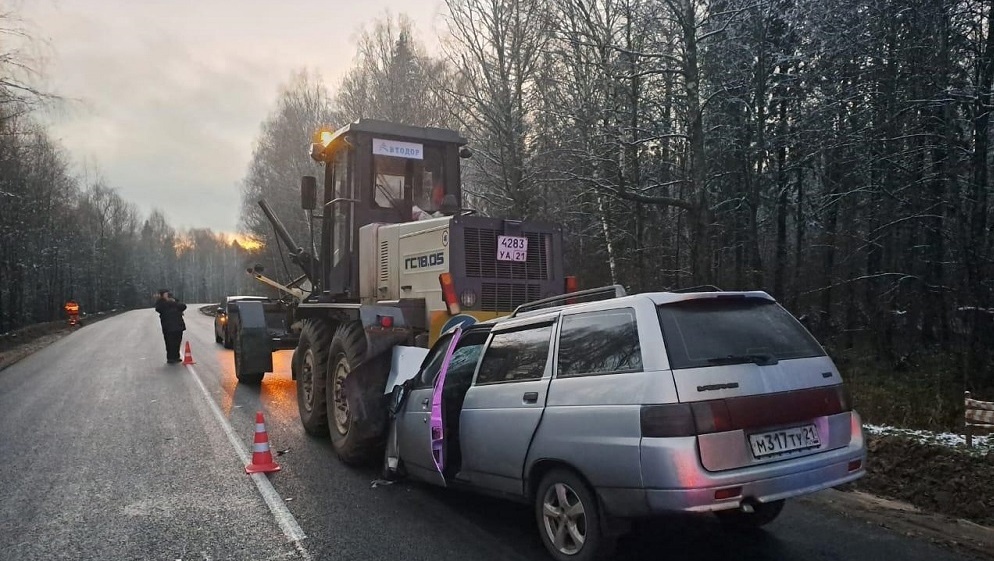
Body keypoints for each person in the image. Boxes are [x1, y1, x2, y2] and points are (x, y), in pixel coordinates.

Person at [154, 289, 187, 364]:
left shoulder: (174, 301)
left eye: (167, 294)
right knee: (169, 342)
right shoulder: (161, 303)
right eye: (165, 294)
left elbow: (183, 306)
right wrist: (170, 302)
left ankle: (176, 356)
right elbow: (159, 308)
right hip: (168, 326)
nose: (167, 295)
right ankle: (170, 357)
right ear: (162, 295)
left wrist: (173, 302)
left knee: (177, 341)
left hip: (178, 324)